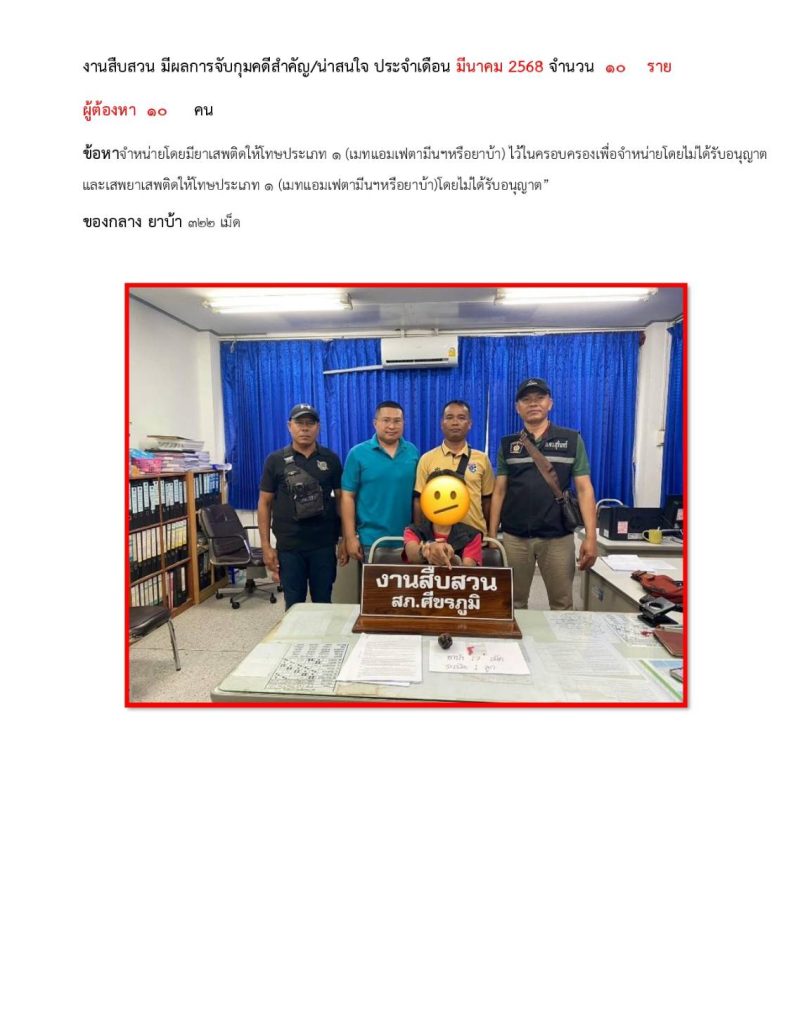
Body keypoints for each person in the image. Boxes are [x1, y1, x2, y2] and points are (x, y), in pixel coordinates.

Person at [488, 377, 598, 610]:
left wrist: (590, 537)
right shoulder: (508, 445)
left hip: (557, 537)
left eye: (540, 398)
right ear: (517, 408)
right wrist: (492, 536)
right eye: (526, 400)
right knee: (512, 604)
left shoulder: (571, 440)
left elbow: (584, 489)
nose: (533, 403)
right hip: (515, 538)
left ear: (550, 403)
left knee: (562, 605)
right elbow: (499, 491)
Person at [257, 403, 348, 609]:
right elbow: (264, 503)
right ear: (289, 426)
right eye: (299, 423)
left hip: (323, 545)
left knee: (323, 603)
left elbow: (342, 500)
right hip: (290, 547)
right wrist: (265, 546)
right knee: (294, 605)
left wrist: (344, 538)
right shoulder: (275, 460)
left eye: (310, 423)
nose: (305, 428)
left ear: (318, 427)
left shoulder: (331, 459)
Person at [340, 401, 419, 561]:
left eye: (397, 421)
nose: (391, 426)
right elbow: (347, 496)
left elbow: (418, 497)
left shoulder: (413, 452)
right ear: (375, 423)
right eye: (386, 420)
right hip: (370, 542)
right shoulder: (357, 454)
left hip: (408, 542)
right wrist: (349, 537)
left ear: (404, 423)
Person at [412, 399, 495, 538]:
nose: (455, 422)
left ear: (469, 424)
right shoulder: (427, 459)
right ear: (442, 423)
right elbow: (419, 501)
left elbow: (487, 501)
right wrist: (420, 535)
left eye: (461, 418)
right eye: (449, 417)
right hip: (438, 541)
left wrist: (489, 534)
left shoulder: (482, 459)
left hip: (474, 537)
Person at [403, 469, 483, 567]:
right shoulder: (413, 531)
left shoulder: (473, 536)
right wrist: (426, 551)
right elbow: (411, 554)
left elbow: (468, 568)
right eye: (437, 495)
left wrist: (452, 559)